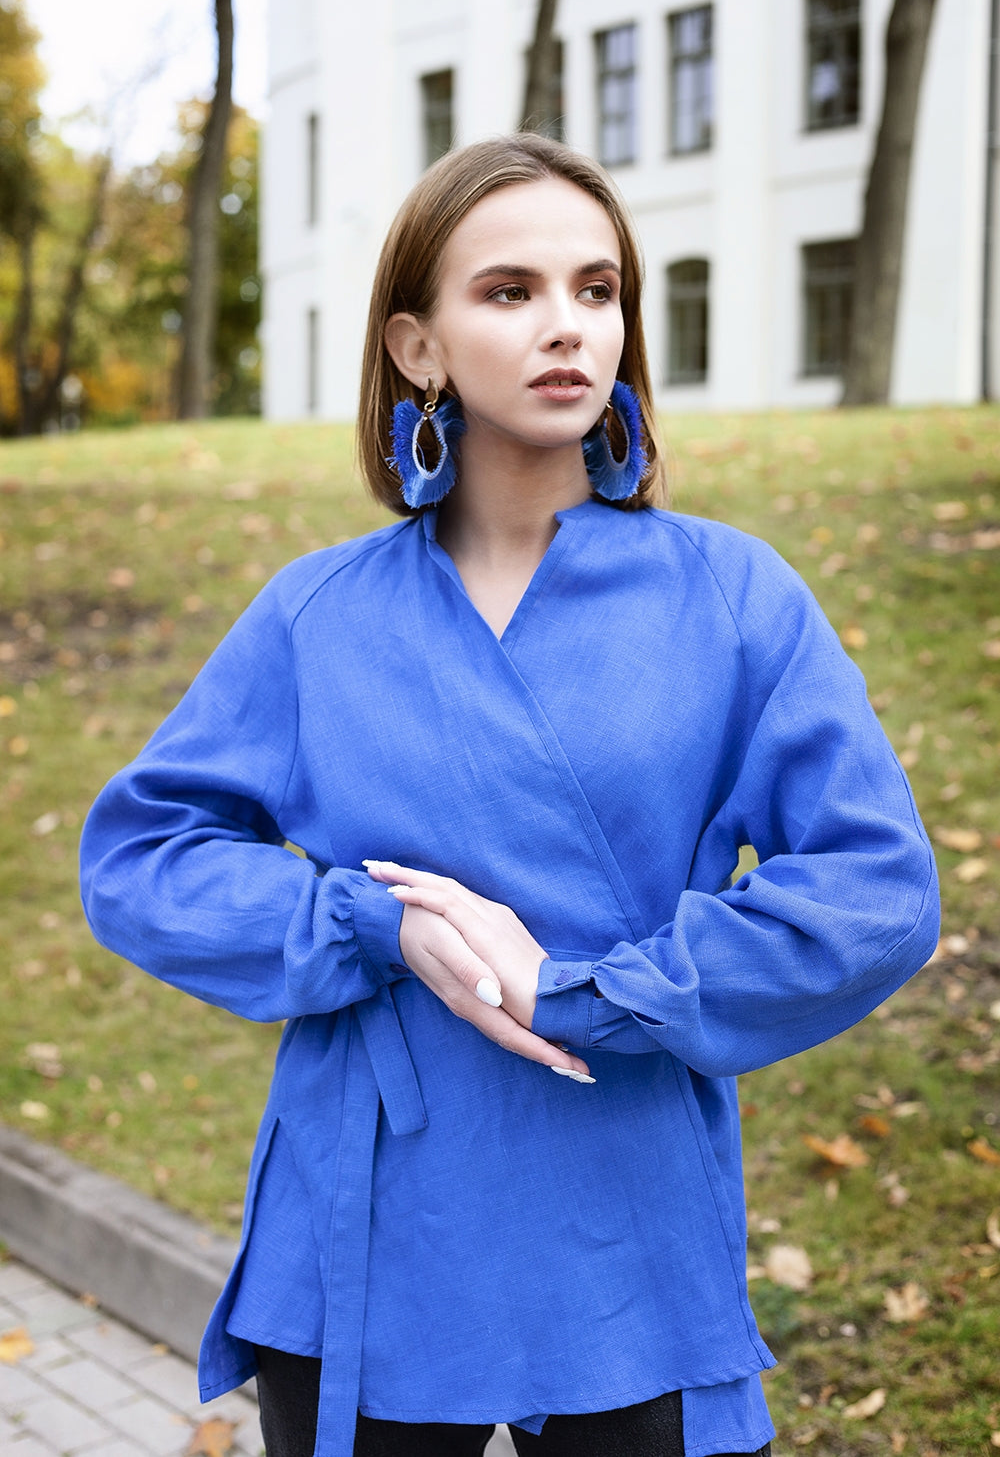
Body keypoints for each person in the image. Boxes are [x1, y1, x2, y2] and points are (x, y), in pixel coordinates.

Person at [79, 134, 939, 1457]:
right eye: (509, 291)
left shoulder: (733, 599)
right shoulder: (316, 616)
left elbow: (876, 890)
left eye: (597, 290)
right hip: (366, 1212)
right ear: (418, 346)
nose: (567, 325)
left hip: (623, 1210)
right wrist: (377, 925)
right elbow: (141, 859)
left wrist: (589, 990)